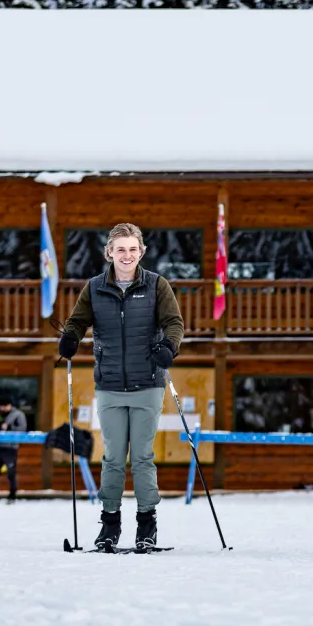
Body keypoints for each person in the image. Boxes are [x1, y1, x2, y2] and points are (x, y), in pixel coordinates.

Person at [58, 223, 185, 552]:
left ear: (141, 252)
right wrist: (70, 337)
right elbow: (77, 320)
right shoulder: (94, 288)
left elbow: (173, 322)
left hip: (148, 383)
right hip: (110, 384)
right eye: (120, 249)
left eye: (132, 249)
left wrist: (169, 347)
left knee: (142, 456)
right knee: (113, 456)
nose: (126, 255)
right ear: (109, 253)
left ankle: (147, 523)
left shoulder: (158, 286)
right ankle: (110, 523)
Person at [0, 394, 26, 503]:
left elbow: (22, 429)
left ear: (9, 405)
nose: (2, 409)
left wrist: (9, 428)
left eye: (4, 406)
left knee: (11, 473)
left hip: (10, 448)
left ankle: (12, 495)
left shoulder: (18, 415)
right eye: (0, 407)